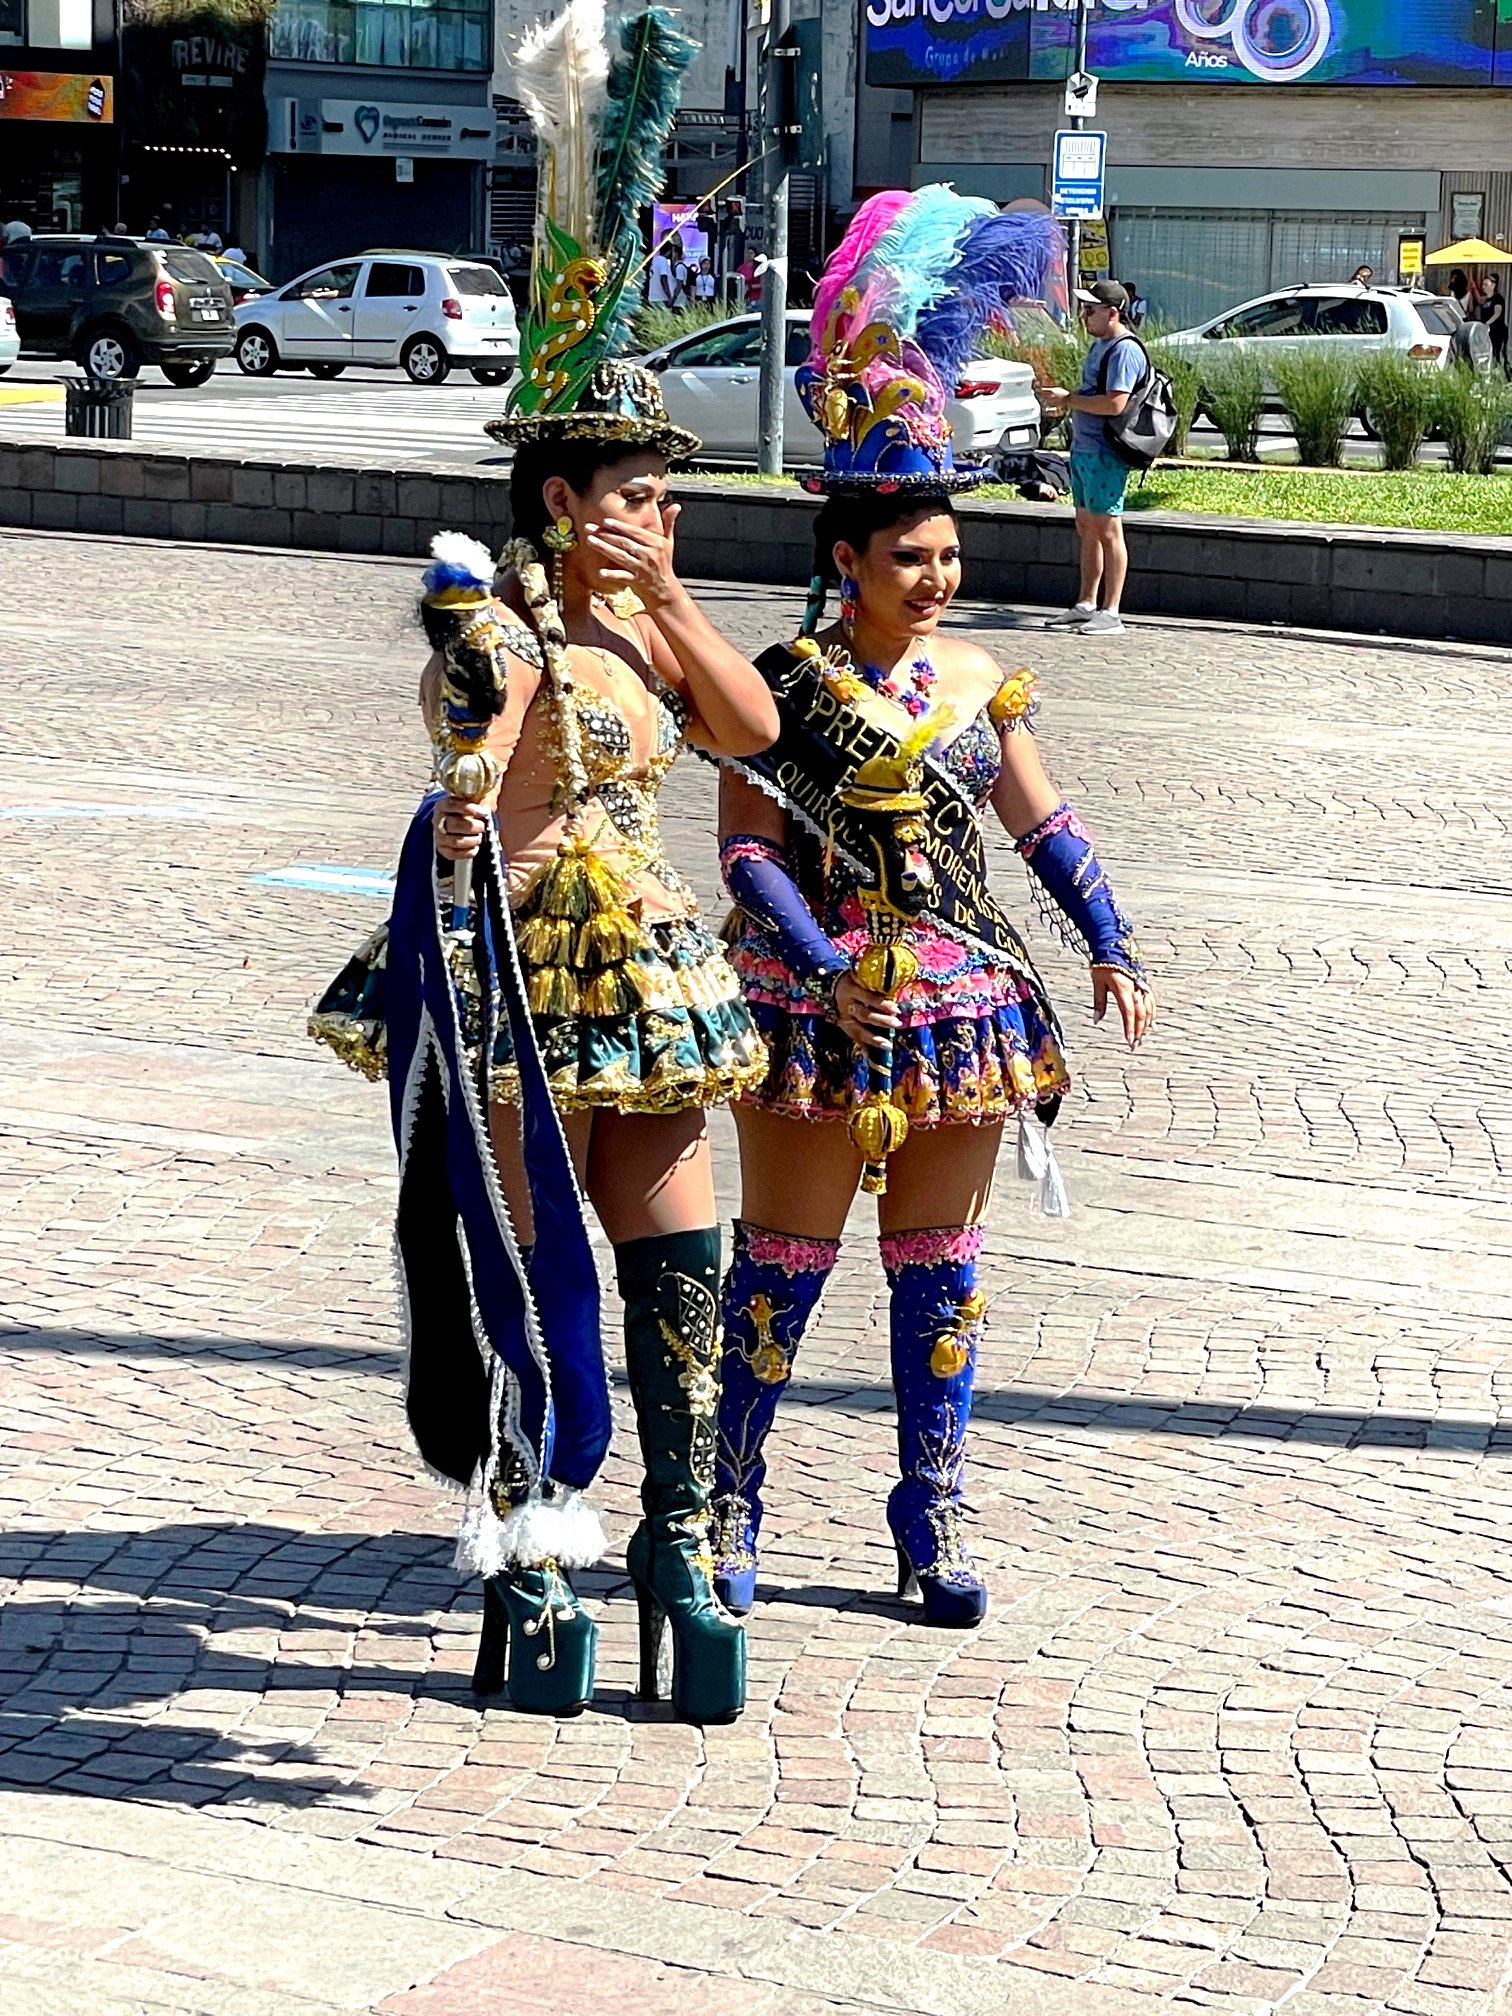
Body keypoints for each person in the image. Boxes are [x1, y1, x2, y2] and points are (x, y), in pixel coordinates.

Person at [313, 0, 776, 1727]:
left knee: (678, 1264)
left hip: (642, 974)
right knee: (530, 1276)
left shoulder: (650, 630)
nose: (661, 514)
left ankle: (678, 1538)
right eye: (638, 496)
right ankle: (535, 1546)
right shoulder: (506, 629)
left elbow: (751, 733)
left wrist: (671, 598)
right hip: (523, 976)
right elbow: (473, 744)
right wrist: (463, 793)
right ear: (566, 500)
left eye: (666, 495)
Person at [704, 187, 1154, 1630]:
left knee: (940, 1278)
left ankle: (931, 1505)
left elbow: (1044, 822)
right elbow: (748, 854)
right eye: (912, 556)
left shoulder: (975, 681)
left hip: (960, 1007)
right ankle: (730, 1496)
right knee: (779, 1271)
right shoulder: (781, 686)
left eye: (949, 554)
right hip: (812, 1004)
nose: (939, 577)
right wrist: (824, 963)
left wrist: (1109, 939)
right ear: (846, 559)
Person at [1038, 279, 1145, 637]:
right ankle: (1086, 603)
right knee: (1087, 527)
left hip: (1105, 452)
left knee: (1108, 530)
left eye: (1090, 310)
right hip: (1086, 449)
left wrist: (1069, 399)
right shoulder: (1101, 346)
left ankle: (1111, 612)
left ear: (1112, 313)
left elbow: (1115, 403)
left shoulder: (1124, 351)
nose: (1084, 316)